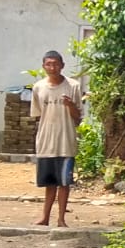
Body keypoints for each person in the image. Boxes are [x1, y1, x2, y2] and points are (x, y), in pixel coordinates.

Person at [30, 51, 81, 227]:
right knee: (49, 183)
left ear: (62, 65)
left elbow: (78, 118)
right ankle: (44, 217)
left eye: (56, 64)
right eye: (49, 64)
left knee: (64, 182)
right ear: (44, 66)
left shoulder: (73, 86)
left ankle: (61, 219)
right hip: (46, 141)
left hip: (66, 141)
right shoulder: (38, 87)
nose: (53, 67)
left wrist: (70, 105)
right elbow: (38, 115)